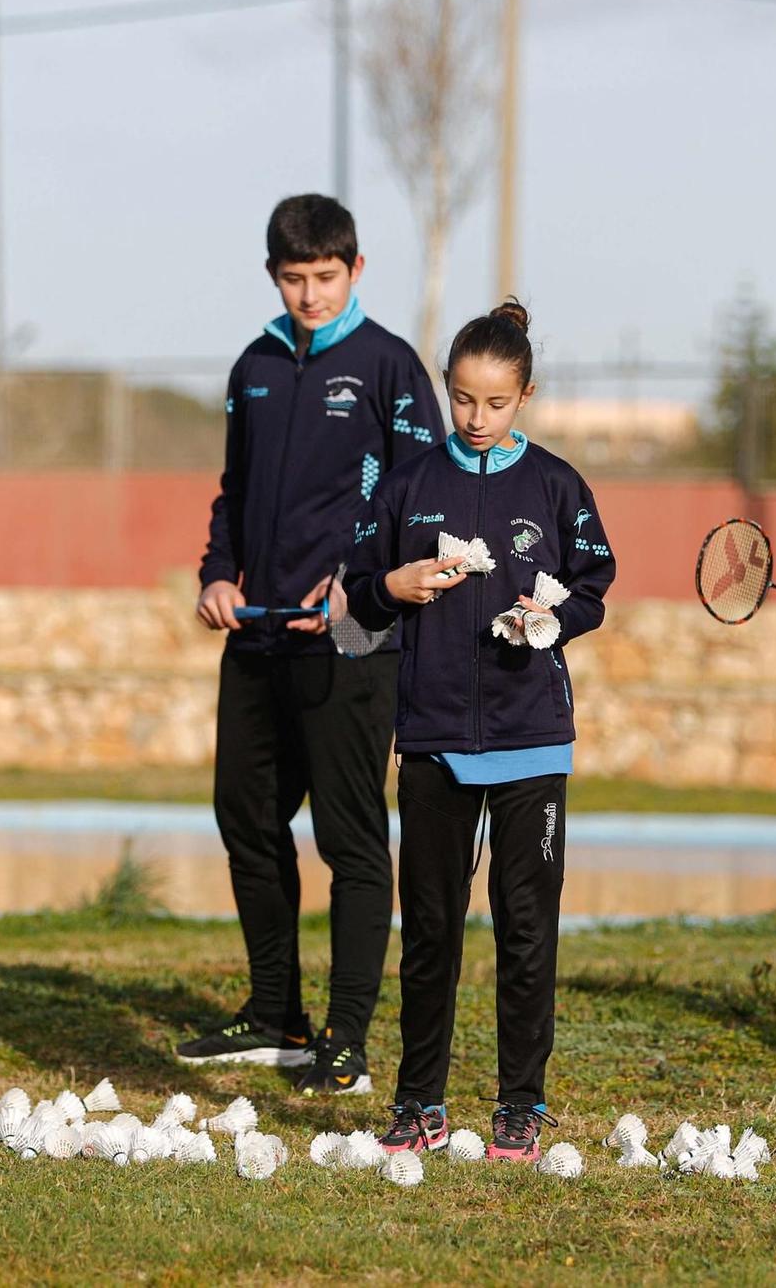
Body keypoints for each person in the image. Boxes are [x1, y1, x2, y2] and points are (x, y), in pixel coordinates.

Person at [337, 300, 616, 1162]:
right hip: (431, 739)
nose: (475, 418)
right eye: (461, 399)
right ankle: (420, 1101)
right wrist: (401, 582)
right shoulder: (411, 481)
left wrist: (551, 618)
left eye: (494, 403)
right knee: (430, 927)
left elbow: (595, 586)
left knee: (526, 927)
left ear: (526, 395)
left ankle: (521, 1104)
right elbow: (360, 585)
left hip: (533, 738)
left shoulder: (558, 485)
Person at [180, 193, 442, 1096]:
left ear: (356, 270)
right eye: (293, 279)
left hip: (353, 642)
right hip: (255, 642)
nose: (309, 295)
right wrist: (219, 571)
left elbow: (424, 501)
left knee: (351, 836)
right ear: (272, 275)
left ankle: (347, 1036)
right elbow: (232, 490)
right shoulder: (251, 366)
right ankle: (274, 1015)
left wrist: (354, 579)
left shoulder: (392, 368)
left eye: (325, 277)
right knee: (245, 819)